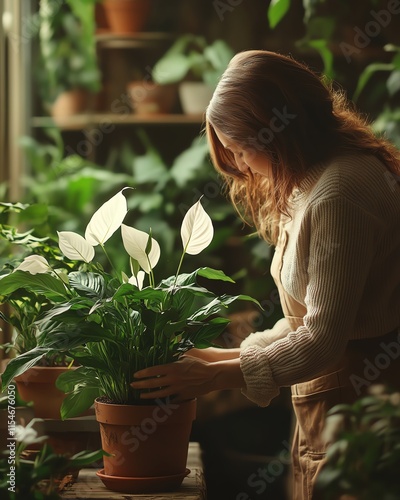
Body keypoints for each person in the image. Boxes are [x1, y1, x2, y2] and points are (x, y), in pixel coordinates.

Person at [132, 50, 400, 499]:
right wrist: (217, 358)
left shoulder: (339, 193)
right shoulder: (318, 179)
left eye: (239, 149)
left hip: (356, 405)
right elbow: (307, 322)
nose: (240, 166)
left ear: (277, 132)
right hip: (331, 399)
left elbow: (322, 339)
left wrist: (215, 378)